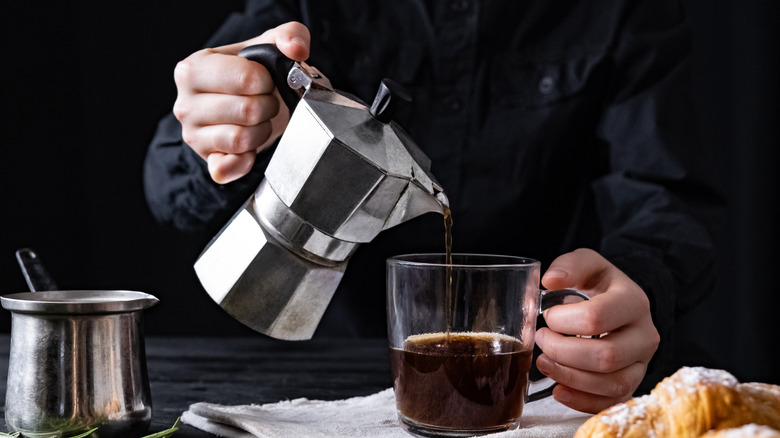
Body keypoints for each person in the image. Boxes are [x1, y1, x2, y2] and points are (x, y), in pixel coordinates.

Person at [143, 0, 722, 414]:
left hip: (544, 377)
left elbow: (665, 196)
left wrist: (643, 283)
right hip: (318, 378)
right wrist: (224, 125)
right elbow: (167, 185)